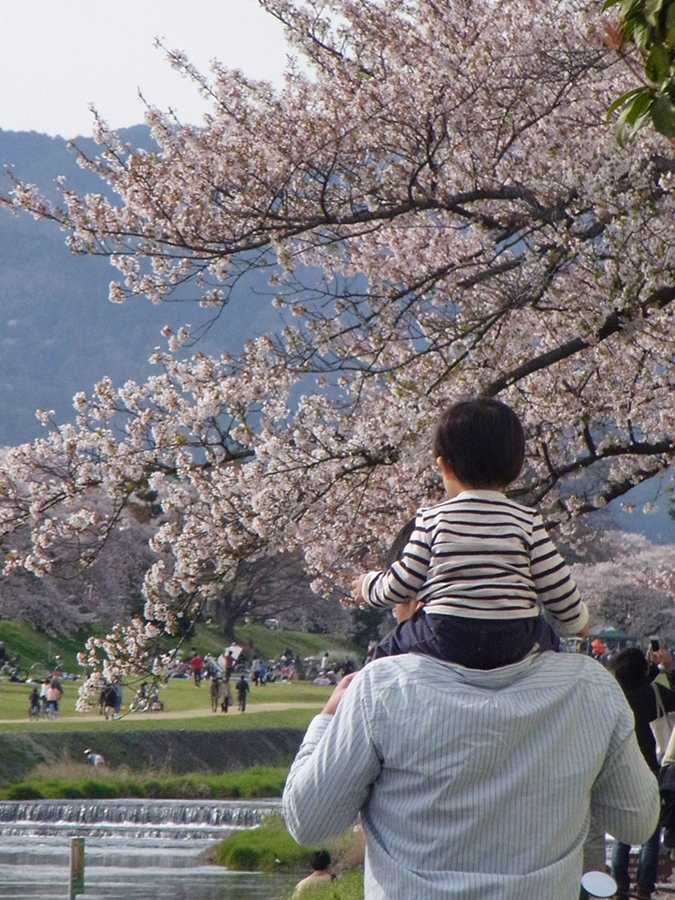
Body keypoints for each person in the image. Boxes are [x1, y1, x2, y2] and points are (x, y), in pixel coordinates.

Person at [283, 651, 659, 900]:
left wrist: (327, 719)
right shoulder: (589, 686)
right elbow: (637, 822)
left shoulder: (381, 687)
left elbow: (308, 821)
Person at [352, 398, 588, 669]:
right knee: (548, 638)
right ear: (517, 466)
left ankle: (362, 686)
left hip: (446, 633)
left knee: (386, 652)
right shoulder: (528, 522)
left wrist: (368, 585)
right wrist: (578, 623)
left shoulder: (431, 519)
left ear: (445, 466)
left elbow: (402, 583)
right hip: (513, 639)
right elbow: (558, 588)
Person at [608, 646, 675, 900]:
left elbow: (634, 683)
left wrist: (645, 668)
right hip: (654, 769)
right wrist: (667, 668)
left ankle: (619, 884)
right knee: (651, 830)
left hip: (622, 768)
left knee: (622, 831)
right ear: (643, 671)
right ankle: (645, 886)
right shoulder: (654, 693)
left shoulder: (615, 697)